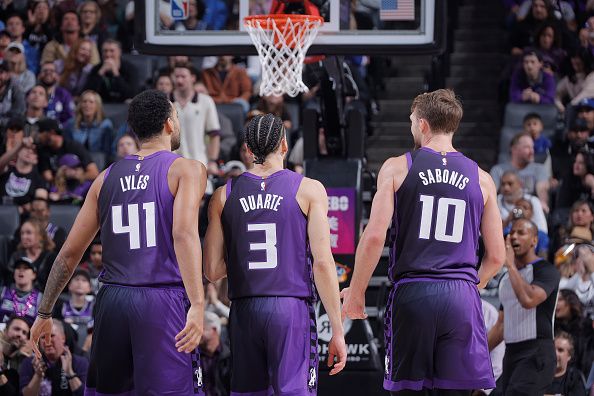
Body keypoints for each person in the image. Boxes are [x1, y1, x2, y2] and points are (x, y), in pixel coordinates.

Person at [28, 89, 208, 395]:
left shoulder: (105, 177)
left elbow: (68, 254)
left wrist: (44, 313)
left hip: (112, 301)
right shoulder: (186, 169)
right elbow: (183, 234)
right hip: (160, 300)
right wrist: (199, 303)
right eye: (176, 116)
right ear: (169, 124)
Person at [341, 89, 506, 394]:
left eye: (412, 121)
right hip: (461, 296)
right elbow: (497, 256)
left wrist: (357, 291)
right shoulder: (482, 178)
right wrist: (469, 285)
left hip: (414, 293)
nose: (411, 127)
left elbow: (375, 235)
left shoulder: (398, 167)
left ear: (424, 124)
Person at [204, 113, 347, 395]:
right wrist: (337, 329)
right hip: (290, 308)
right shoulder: (308, 189)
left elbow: (212, 270)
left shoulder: (223, 195)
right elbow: (322, 263)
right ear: (284, 144)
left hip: (245, 310)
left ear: (247, 148)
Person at [488, 218, 560, 395]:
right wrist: (477, 353)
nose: (513, 237)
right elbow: (501, 325)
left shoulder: (546, 270)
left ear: (534, 240)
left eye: (521, 233)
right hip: (511, 353)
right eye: (511, 233)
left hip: (537, 351)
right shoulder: (505, 279)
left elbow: (528, 300)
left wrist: (510, 264)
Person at [20, 319, 87, 396]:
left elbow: (86, 394)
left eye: (51, 335)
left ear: (63, 338)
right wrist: (37, 376)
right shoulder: (30, 363)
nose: (47, 341)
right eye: (42, 337)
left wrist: (70, 373)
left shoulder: (80, 362)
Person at [63, 90, 113, 154]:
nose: (87, 105)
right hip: (76, 160)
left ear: (97, 106)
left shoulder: (105, 125)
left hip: (99, 160)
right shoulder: (71, 124)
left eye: (91, 102)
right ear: (80, 105)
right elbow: (67, 148)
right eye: (84, 101)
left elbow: (107, 151)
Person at [0, 257, 43, 324]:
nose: (21, 270)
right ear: (14, 273)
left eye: (25, 268)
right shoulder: (2, 292)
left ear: (34, 275)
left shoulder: (41, 299)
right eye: (18, 268)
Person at [200, 311, 231, 396]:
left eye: (201, 328)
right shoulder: (194, 357)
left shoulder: (230, 357)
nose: (197, 333)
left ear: (213, 330)